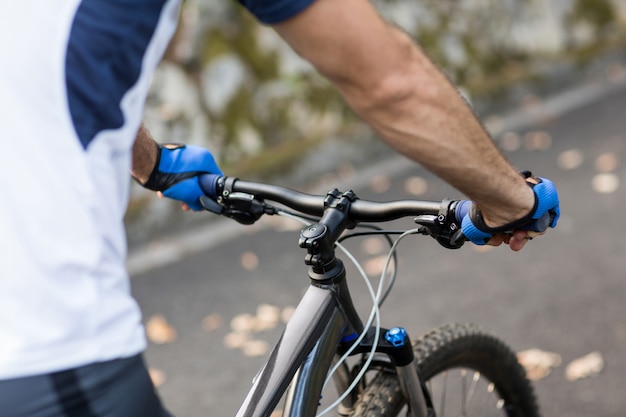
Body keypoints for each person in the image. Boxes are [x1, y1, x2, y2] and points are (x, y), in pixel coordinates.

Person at [0, 0, 559, 416]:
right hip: (44, 357)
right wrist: (509, 200)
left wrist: (153, 164)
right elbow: (392, 82)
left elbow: (56, 75)